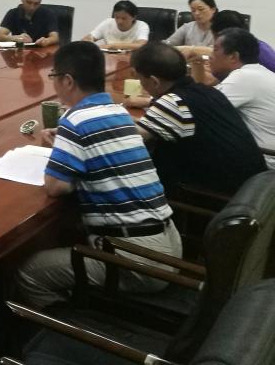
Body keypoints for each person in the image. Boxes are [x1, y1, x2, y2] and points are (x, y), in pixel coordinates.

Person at [15, 41, 181, 309]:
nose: (53, 83)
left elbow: (56, 187)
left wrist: (67, 153)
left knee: (28, 271)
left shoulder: (75, 120)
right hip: (169, 245)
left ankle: (67, 325)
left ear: (68, 81)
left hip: (138, 258)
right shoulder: (119, 111)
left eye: (54, 76)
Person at [131, 42, 265, 196]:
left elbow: (130, 139)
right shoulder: (208, 92)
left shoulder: (174, 103)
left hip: (220, 197)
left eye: (140, 79)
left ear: (154, 81)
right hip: (257, 189)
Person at [202, 28, 275, 168]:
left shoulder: (244, 77)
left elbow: (201, 109)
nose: (210, 56)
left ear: (233, 57)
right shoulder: (258, 73)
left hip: (266, 163)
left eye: (215, 50)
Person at [81, 0, 149, 50]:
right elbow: (86, 39)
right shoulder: (107, 23)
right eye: (116, 17)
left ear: (133, 17)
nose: (119, 21)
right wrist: (89, 41)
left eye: (124, 18)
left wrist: (111, 46)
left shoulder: (141, 26)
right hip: (109, 59)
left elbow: (141, 45)